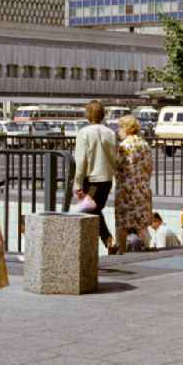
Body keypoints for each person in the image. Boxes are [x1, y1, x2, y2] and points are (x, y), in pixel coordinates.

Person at [74, 100, 118, 254]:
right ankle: (108, 241)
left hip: (90, 179)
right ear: (103, 114)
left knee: (87, 211)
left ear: (87, 115)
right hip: (106, 179)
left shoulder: (84, 133)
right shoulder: (110, 133)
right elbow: (114, 158)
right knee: (95, 209)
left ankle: (103, 243)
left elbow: (80, 161)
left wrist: (78, 183)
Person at [114, 114, 153, 252]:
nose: (118, 131)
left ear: (126, 128)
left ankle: (121, 252)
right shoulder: (144, 144)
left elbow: (118, 166)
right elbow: (149, 167)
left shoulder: (124, 146)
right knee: (141, 224)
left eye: (120, 128)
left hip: (126, 190)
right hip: (142, 189)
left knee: (122, 223)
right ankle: (148, 248)